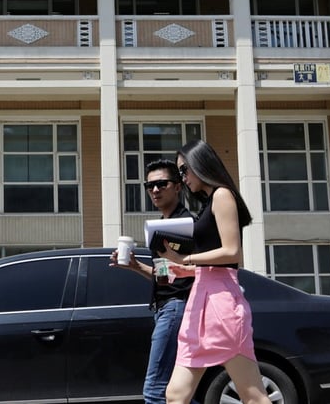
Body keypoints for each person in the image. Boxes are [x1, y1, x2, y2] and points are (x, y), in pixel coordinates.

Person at [161, 140, 272, 404]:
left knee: (253, 397)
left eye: (184, 170)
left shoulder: (222, 195)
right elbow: (210, 265)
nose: (183, 178)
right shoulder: (208, 203)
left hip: (220, 305)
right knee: (175, 395)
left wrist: (186, 259)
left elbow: (232, 252)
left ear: (200, 164)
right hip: (200, 303)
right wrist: (185, 268)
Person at [110, 159, 196, 404]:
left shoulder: (184, 224)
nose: (155, 190)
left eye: (161, 184)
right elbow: (166, 276)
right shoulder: (163, 226)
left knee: (155, 390)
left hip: (175, 308)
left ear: (178, 187)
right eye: (150, 186)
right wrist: (135, 266)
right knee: (175, 393)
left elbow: (191, 271)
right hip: (166, 309)